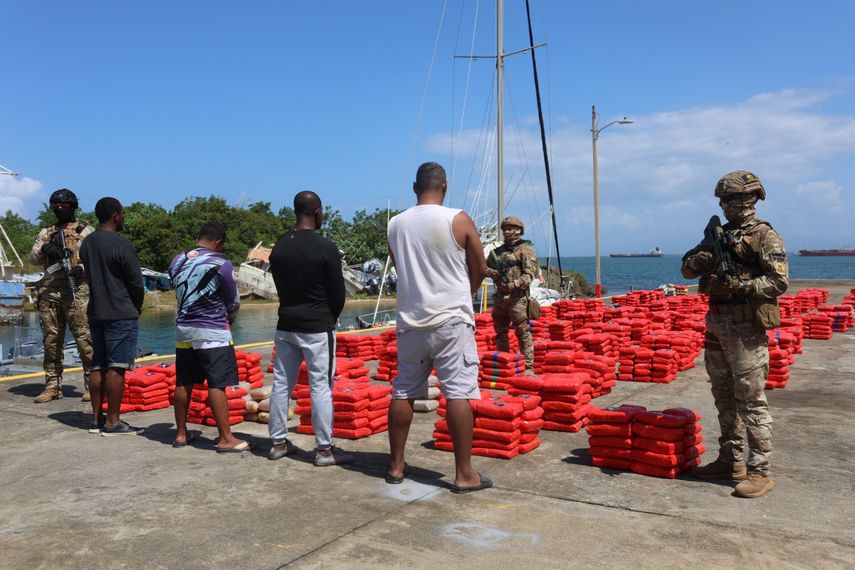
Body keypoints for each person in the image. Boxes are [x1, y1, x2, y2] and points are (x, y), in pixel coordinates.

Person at [681, 171, 788, 498]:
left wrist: (742, 284)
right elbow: (686, 268)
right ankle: (730, 459)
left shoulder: (763, 236)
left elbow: (779, 282)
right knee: (724, 396)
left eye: (729, 199)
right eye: (722, 200)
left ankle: (760, 470)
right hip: (717, 322)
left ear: (748, 199)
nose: (724, 205)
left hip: (745, 327)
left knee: (750, 400)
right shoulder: (718, 234)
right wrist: (701, 259)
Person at [386, 162, 491, 493]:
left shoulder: (395, 224)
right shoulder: (457, 219)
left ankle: (396, 465)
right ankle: (464, 474)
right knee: (458, 392)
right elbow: (480, 267)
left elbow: (402, 266)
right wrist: (466, 293)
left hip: (410, 321)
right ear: (444, 185)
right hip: (451, 321)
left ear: (414, 187)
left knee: (404, 390)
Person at [266, 191, 353, 466]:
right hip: (317, 327)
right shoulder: (324, 247)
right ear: (316, 212)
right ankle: (324, 450)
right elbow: (338, 295)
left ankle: (278, 443)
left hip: (286, 324)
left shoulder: (280, 246)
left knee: (281, 384)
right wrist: (330, 319)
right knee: (320, 387)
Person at [167, 221, 249, 452]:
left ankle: (181, 434)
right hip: (212, 330)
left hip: (184, 328)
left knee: (183, 381)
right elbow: (233, 299)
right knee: (217, 382)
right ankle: (225, 439)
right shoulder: (220, 263)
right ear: (219, 242)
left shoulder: (177, 260)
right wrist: (228, 320)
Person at [79, 197, 146, 436]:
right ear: (116, 215)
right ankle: (113, 422)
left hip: (96, 311)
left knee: (98, 365)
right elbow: (136, 283)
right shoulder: (122, 244)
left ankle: (96, 419)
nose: (124, 217)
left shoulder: (87, 243)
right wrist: (137, 305)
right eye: (123, 214)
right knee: (117, 367)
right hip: (120, 312)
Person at [28, 188, 95, 403]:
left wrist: (81, 269)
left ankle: (90, 384)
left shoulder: (86, 231)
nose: (59, 209)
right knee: (51, 341)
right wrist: (47, 249)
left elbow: (95, 259)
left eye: (64, 206)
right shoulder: (46, 233)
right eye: (56, 206)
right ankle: (52, 385)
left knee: (85, 340)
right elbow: (33, 259)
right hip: (50, 291)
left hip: (77, 290)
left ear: (73, 206)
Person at [485, 216, 538, 371]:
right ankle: (504, 365)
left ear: (519, 230)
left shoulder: (525, 250)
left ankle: (528, 366)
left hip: (518, 299)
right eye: (505, 229)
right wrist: (492, 273)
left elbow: (529, 275)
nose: (507, 232)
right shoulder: (497, 253)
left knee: (522, 333)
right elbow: (486, 268)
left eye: (510, 228)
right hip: (500, 298)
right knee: (500, 333)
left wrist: (514, 284)